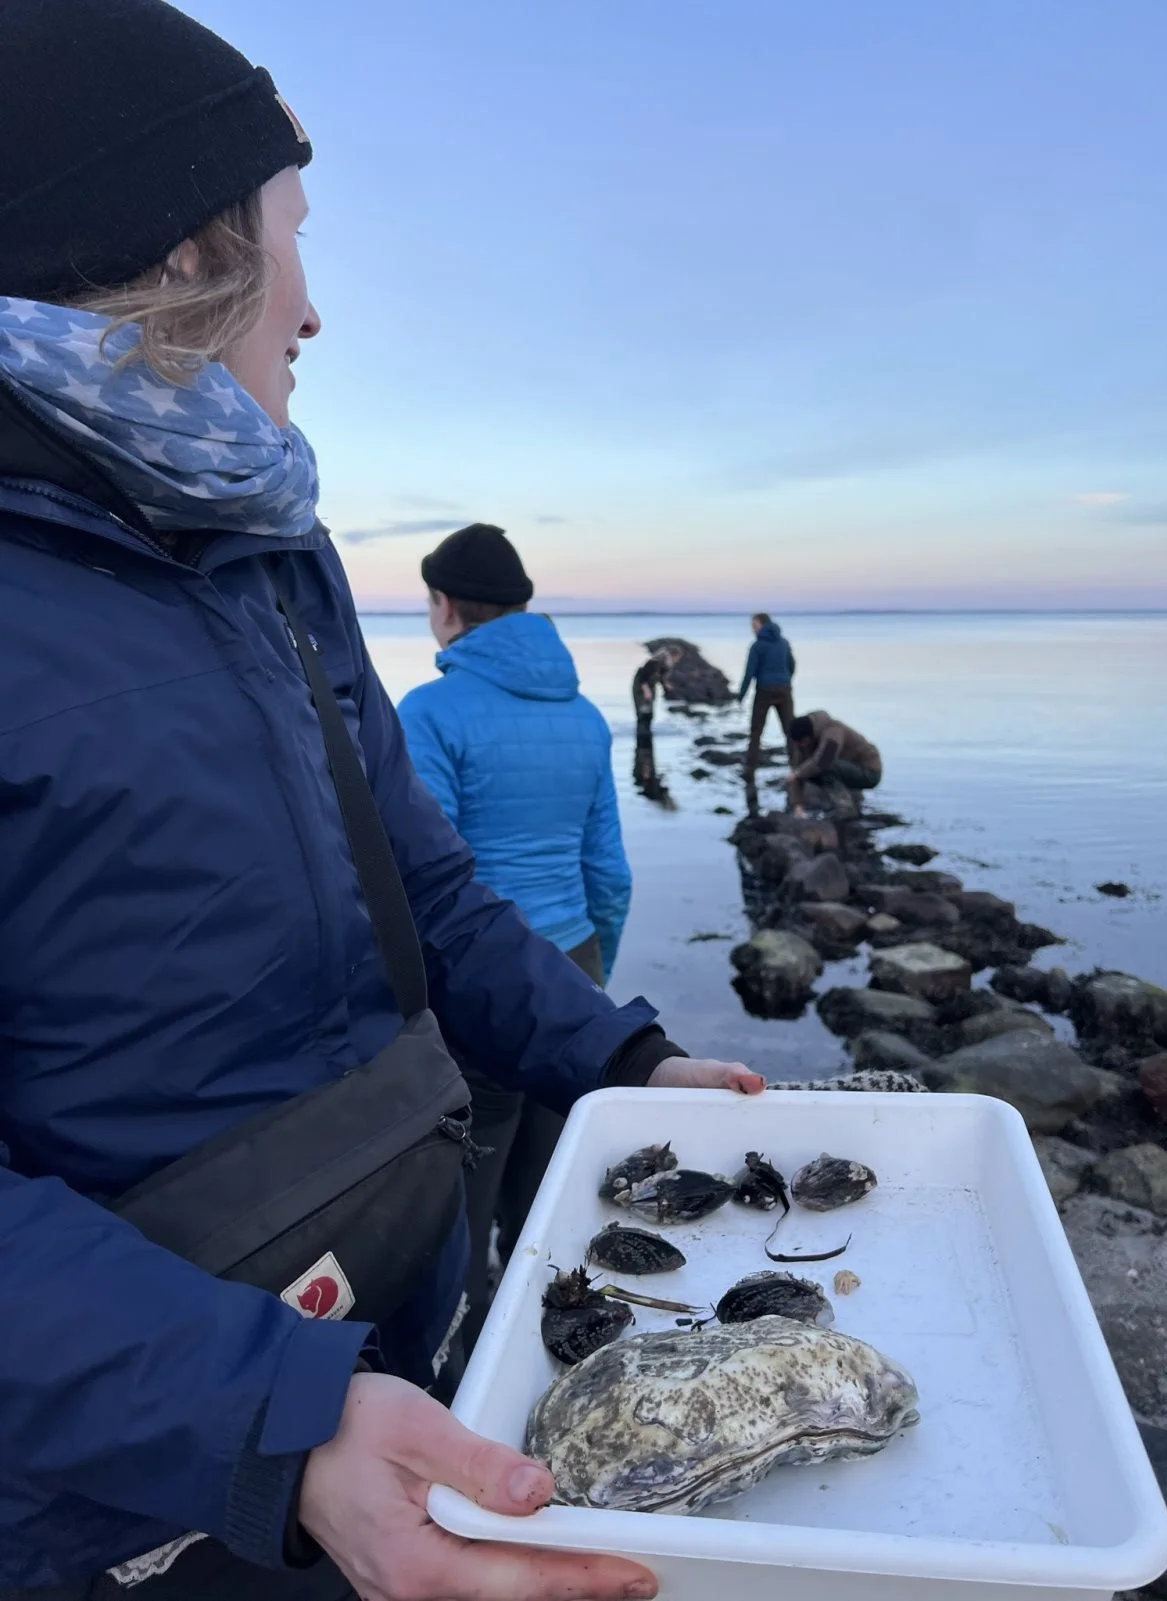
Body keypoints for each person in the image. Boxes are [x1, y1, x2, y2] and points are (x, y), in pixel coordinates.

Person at [0, 5, 766, 1599]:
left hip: (386, 1365)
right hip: (120, 1491)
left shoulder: (271, 549)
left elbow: (425, 891)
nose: (318, 308)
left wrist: (625, 1057)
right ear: (179, 252)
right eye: (290, 239)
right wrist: (269, 1421)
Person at [397, 523, 633, 1356]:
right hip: (574, 965)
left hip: (481, 981)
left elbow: (425, 876)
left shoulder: (426, 713)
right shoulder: (585, 716)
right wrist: (592, 978)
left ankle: (456, 1368)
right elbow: (608, 868)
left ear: (448, 608)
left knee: (460, 1188)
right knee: (550, 1184)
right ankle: (554, 1349)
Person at [737, 613, 796, 769]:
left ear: (762, 625)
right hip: (784, 689)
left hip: (765, 690)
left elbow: (749, 673)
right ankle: (796, 765)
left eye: (754, 626)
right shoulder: (784, 643)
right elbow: (792, 665)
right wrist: (786, 680)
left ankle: (750, 769)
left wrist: (741, 696)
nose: (752, 630)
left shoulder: (757, 646)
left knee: (756, 731)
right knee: (789, 730)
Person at [788, 710, 884, 802]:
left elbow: (823, 762)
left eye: (802, 742)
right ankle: (850, 797)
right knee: (807, 771)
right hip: (847, 766)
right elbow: (796, 769)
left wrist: (798, 773)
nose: (801, 746)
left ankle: (846, 807)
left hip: (869, 771)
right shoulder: (802, 741)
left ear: (809, 737)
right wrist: (797, 803)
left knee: (824, 767)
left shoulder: (833, 733)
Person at [632, 643, 681, 731]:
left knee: (649, 710)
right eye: (677, 657)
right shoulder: (654, 662)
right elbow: (643, 678)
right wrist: (646, 691)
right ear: (673, 655)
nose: (677, 660)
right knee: (643, 710)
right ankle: (641, 732)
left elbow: (660, 676)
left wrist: (666, 684)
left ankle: (648, 731)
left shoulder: (666, 664)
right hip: (641, 686)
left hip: (650, 685)